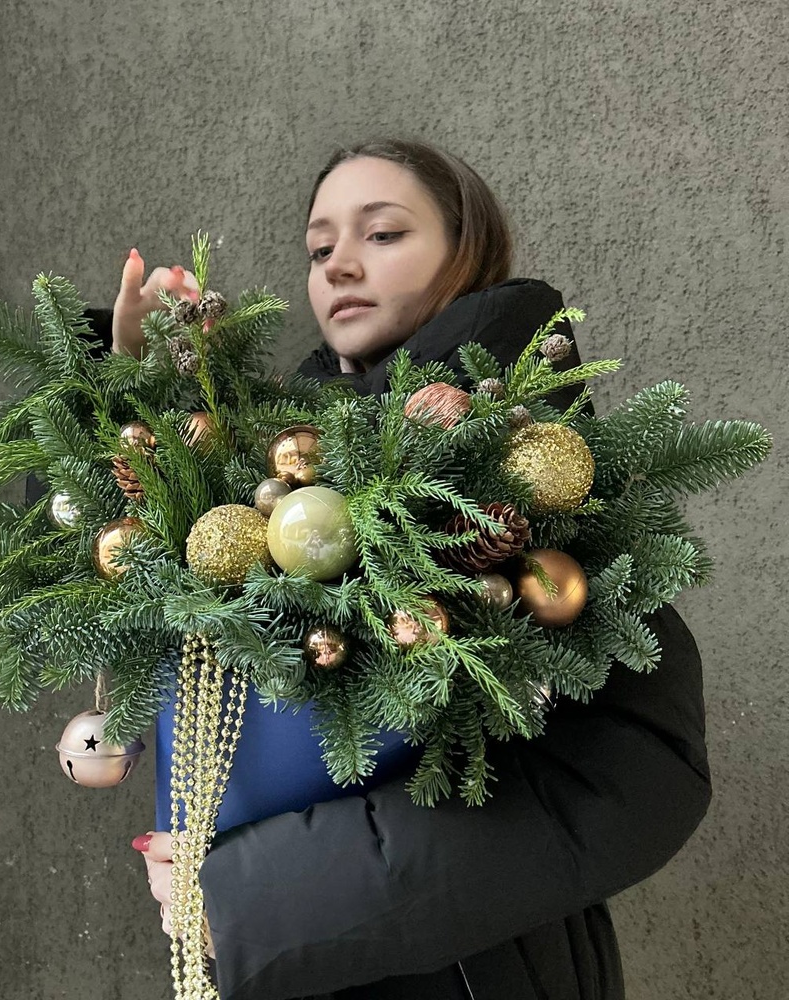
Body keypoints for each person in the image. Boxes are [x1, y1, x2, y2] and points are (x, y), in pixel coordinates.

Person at [115, 140, 711, 1000]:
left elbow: (636, 777)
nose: (340, 265)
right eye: (320, 250)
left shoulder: (535, 475)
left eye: (383, 234)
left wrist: (258, 894)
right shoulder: (267, 487)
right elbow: (91, 549)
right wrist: (136, 385)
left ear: (466, 254)